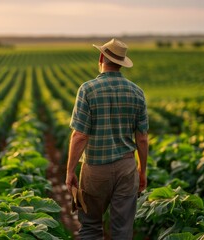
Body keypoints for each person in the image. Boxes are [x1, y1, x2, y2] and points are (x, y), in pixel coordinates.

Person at [65, 38, 149, 240]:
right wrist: (142, 171)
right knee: (122, 231)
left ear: (101, 57)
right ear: (121, 63)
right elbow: (143, 138)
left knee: (91, 226)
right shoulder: (137, 92)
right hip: (127, 169)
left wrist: (70, 171)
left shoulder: (88, 89)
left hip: (95, 169)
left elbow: (79, 135)